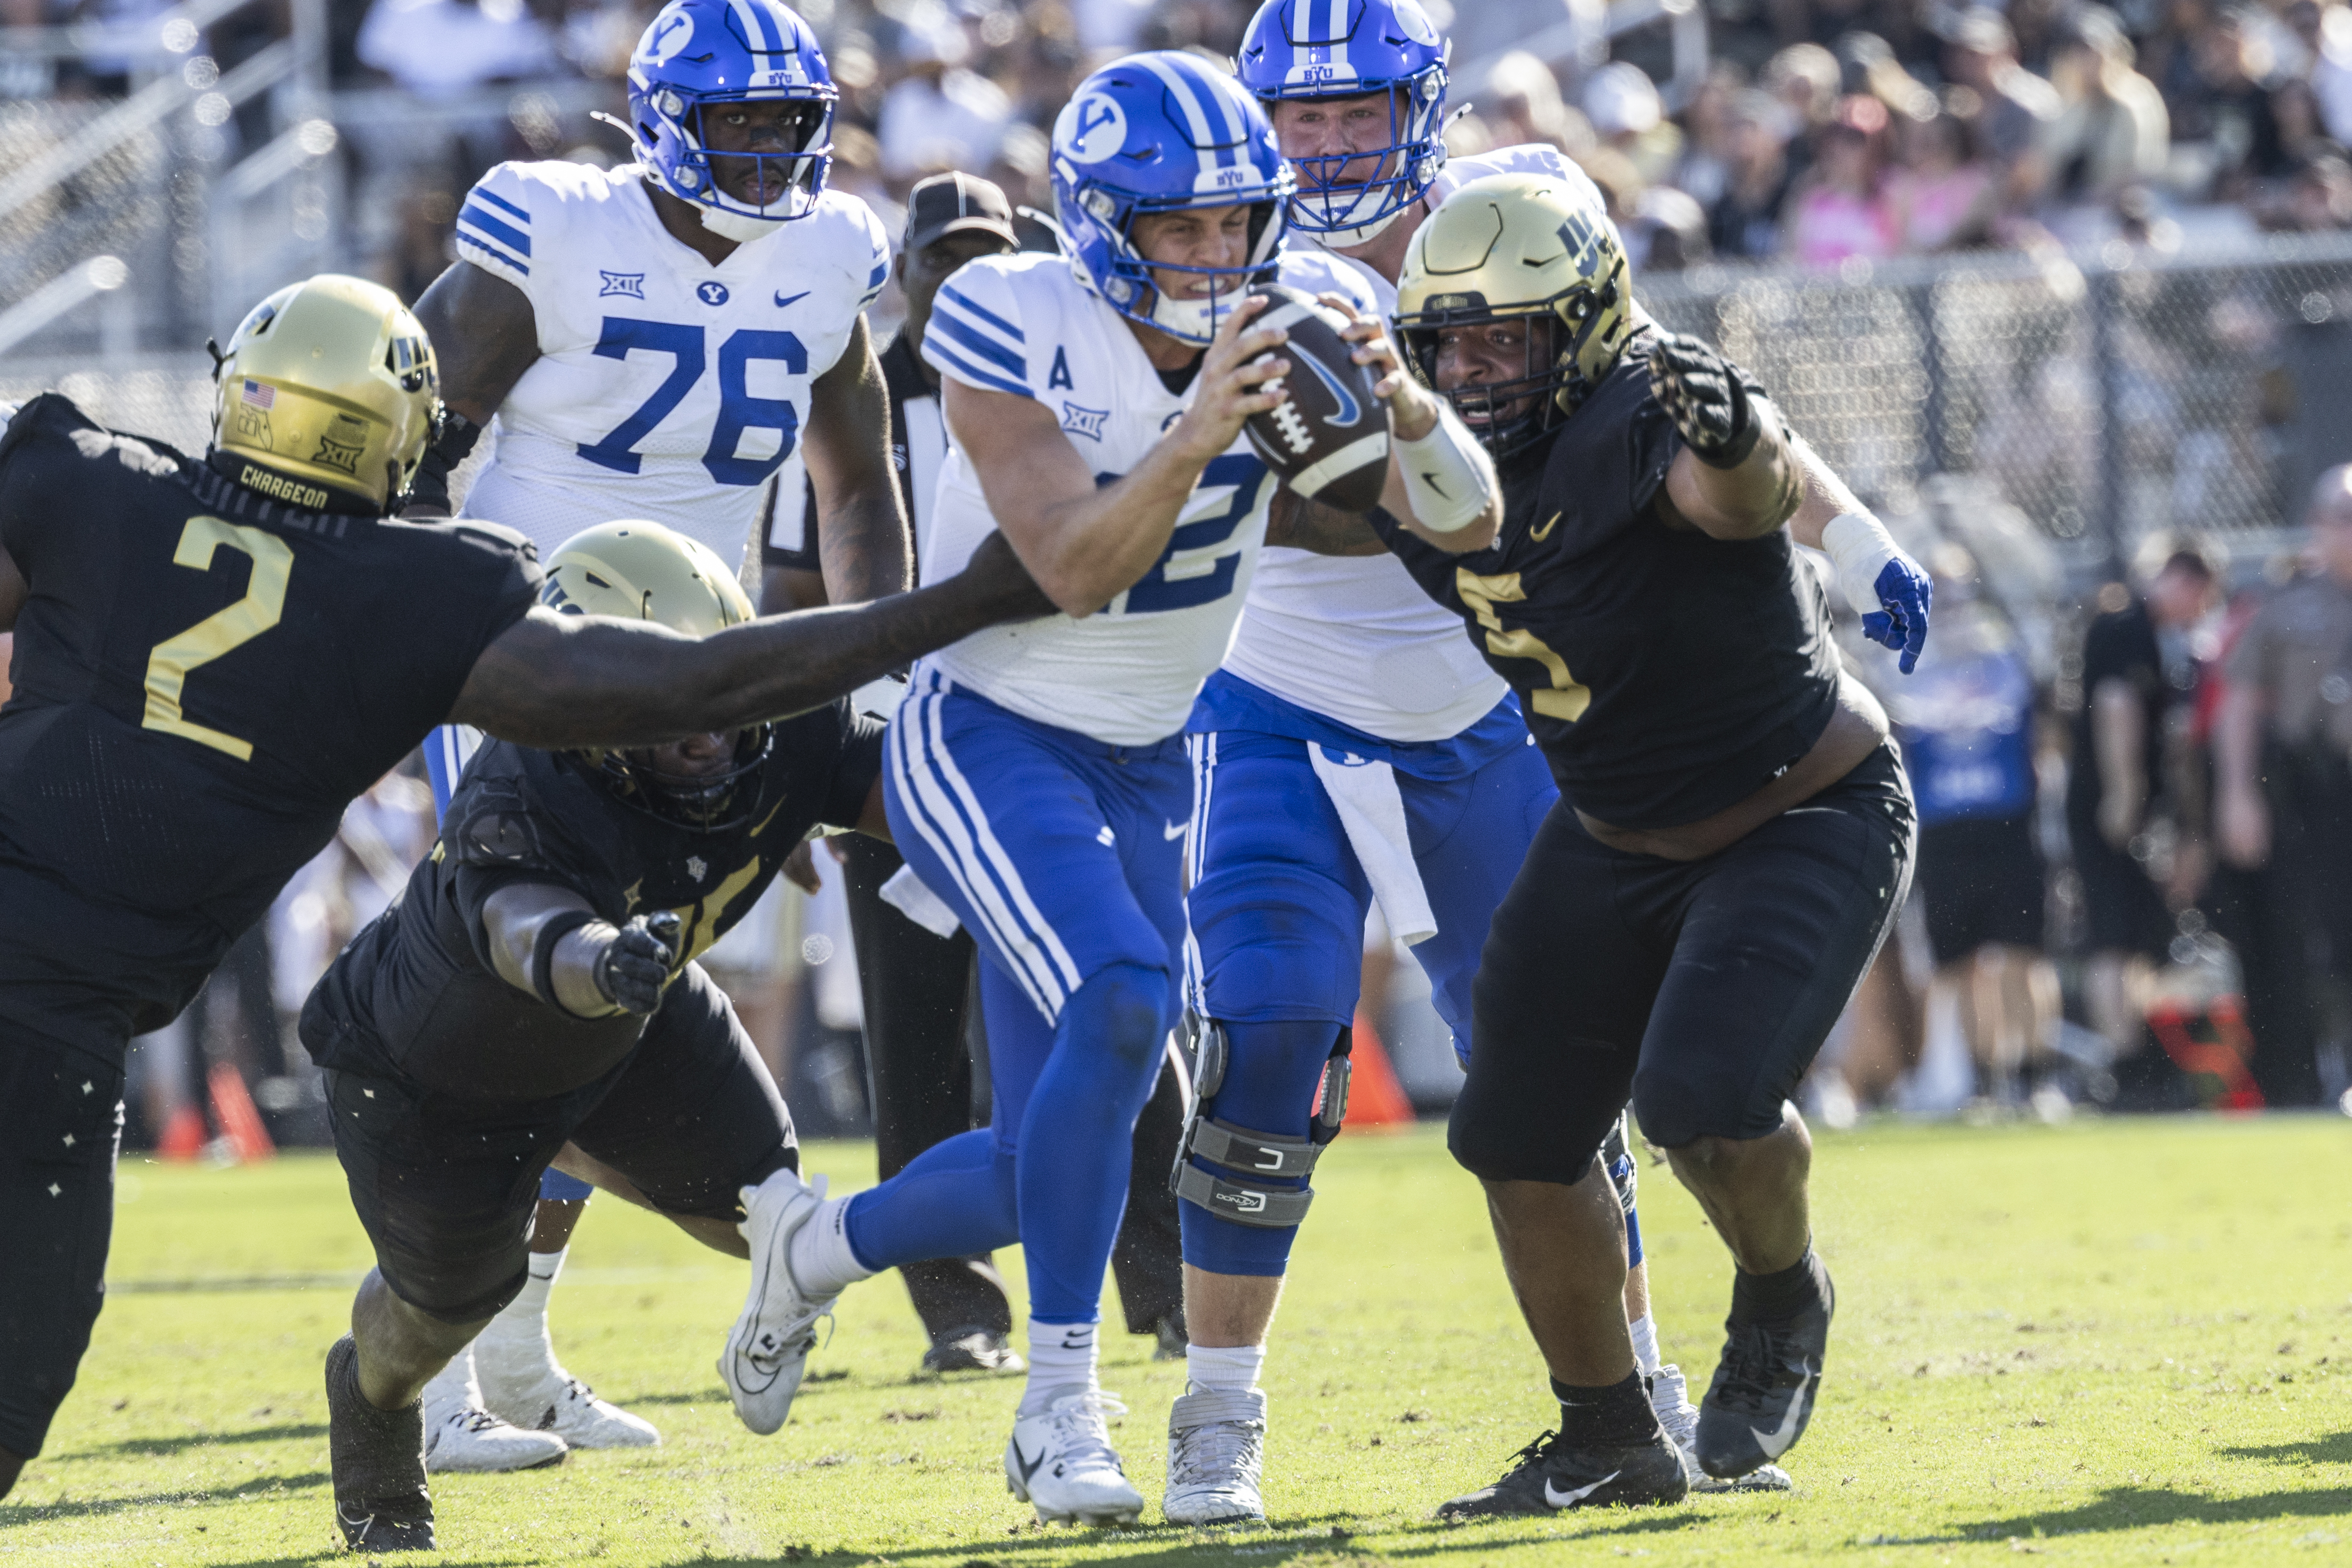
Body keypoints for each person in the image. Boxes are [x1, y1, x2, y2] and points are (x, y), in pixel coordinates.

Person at [0, 272, 1050, 1508]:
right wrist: (950, 607)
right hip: (61, 1004)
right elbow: (689, 687)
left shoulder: (92, 479)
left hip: (63, 980)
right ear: (396, 433)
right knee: (25, 1352)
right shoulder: (419, 590)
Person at [695, 51, 1499, 1528]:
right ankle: (1057, 1412)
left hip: (1151, 757)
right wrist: (1200, 430)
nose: (1211, 257)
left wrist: (1403, 413)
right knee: (1125, 996)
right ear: (1096, 223)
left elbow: (1453, 524)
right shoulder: (1007, 312)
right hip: (985, 729)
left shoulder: (1301, 310)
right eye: (1175, 229)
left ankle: (815, 1246)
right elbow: (1066, 567)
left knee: (1036, 1160)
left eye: (1232, 224)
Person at [1149, 0, 1781, 1527]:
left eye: (1353, 111)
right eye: (1297, 119)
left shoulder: (1516, 221)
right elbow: (1258, 499)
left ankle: (1632, 1387)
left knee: (1557, 1081)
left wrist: (1842, 522)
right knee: (1265, 1045)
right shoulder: (1223, 255)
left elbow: (1654, 404)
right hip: (1276, 697)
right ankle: (1215, 1415)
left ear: (1418, 107)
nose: (1324, 143)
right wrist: (1358, 459)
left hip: (1487, 703)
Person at [396, 0, 911, 1466]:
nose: (765, 152)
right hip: (530, 662)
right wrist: (439, 645)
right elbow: (413, 437)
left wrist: (853, 695)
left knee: (615, 1009)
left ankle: (510, 1354)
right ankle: (431, 1385)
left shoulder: (826, 255)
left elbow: (855, 488)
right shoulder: (553, 225)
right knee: (514, 1007)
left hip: (708, 682)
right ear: (670, 118)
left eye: (786, 124)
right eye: (737, 122)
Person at [1374, 171, 1930, 1512]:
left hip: (1797, 809)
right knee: (1511, 1132)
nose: (1474, 368)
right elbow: (1340, 495)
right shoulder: (1422, 451)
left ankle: (1781, 1291)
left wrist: (1752, 453)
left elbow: (1732, 488)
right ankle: (1607, 1433)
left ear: (1581, 324)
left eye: (1505, 336)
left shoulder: (1642, 409)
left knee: (1699, 1103)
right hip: (1612, 831)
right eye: (1447, 343)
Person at [304, 522, 887, 1553]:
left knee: (762, 1200)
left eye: (716, 680)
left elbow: (904, 791)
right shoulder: (525, 781)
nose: (705, 726)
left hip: (631, 1015)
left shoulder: (785, 722)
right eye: (665, 703)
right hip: (433, 1069)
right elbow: (524, 926)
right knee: (443, 1307)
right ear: (592, 713)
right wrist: (599, 956)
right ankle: (370, 1395)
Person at [761, 170, 1190, 1375]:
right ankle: (960, 1308)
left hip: (1065, 741)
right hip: (897, 757)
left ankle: (1158, 1283)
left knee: (1119, 1010)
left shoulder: (1081, 365)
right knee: (917, 1039)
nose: (958, 280)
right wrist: (798, 761)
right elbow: (792, 586)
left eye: (982, 255)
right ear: (900, 278)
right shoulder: (866, 390)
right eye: (938, 261)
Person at [1887, 544, 2061, 1107]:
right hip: (1943, 831)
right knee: (1958, 963)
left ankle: (2036, 1078)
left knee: (2021, 954)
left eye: (1959, 590)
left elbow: (2044, 727)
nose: (1952, 606)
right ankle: (1983, 1084)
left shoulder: (2009, 660)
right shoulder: (1904, 670)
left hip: (2007, 824)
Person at [2216, 469, 2352, 1108]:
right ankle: (2316, 1075)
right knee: (2314, 938)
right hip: (2312, 794)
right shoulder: (2285, 605)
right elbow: (2239, 705)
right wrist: (2238, 794)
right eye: (2341, 516)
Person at [2069, 541, 2218, 1098]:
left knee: (2138, 934)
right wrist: (2125, 794)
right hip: (2109, 804)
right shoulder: (2126, 625)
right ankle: (2124, 1062)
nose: (2200, 610)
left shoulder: (2159, 638)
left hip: (2136, 810)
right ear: (2182, 578)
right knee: (2110, 933)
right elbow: (2115, 708)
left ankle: (2147, 1052)